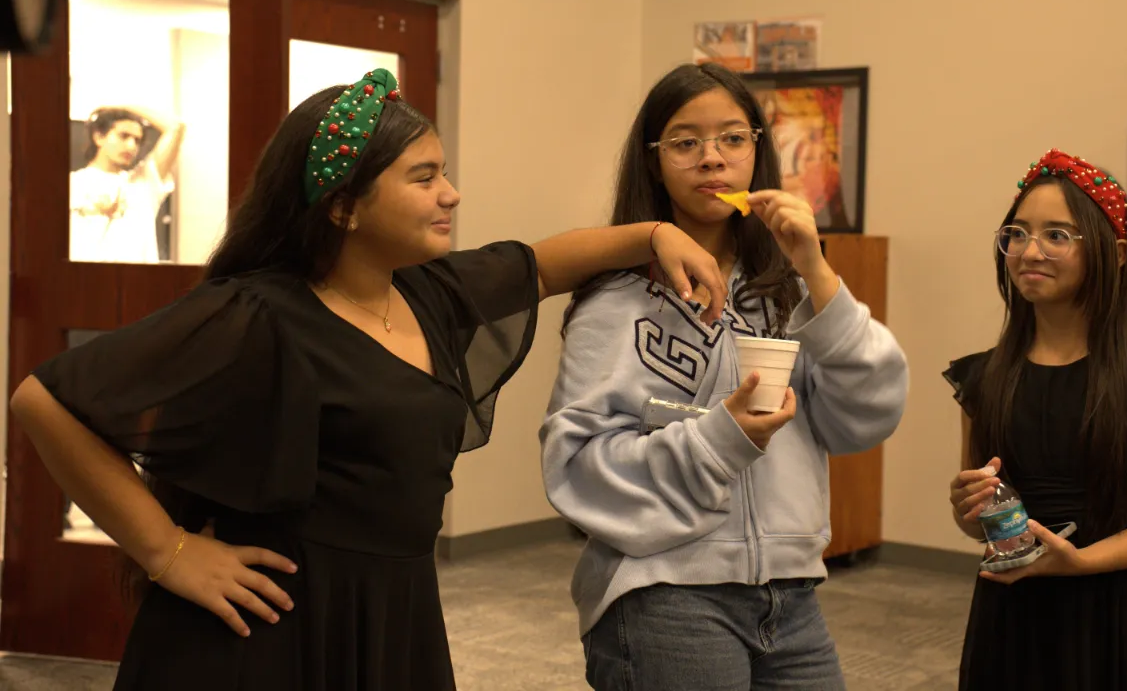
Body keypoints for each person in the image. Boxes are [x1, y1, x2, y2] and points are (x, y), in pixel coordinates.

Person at [10, 68, 730, 691]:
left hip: (392, 612)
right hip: (273, 631)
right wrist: (167, 553)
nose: (451, 194)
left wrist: (654, 235)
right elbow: (44, 401)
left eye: (444, 172)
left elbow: (542, 264)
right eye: (424, 177)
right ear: (343, 205)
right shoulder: (257, 312)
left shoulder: (425, 291)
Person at [539, 63, 908, 691]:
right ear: (654, 161)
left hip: (792, 595)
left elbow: (865, 417)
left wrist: (816, 269)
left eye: (733, 139)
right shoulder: (616, 300)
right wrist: (720, 439)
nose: (712, 158)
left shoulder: (789, 289)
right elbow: (576, 466)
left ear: (757, 152)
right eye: (686, 142)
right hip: (663, 593)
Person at [945, 149, 1127, 690]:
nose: (1029, 251)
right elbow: (984, 519)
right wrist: (967, 509)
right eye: (1017, 234)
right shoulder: (983, 378)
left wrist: (1083, 562)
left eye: (1057, 235)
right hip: (1018, 611)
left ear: (1116, 253)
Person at [69, 106, 185, 264]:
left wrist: (121, 106)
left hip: (138, 278)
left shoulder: (144, 183)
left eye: (137, 140)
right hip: (82, 276)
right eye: (123, 136)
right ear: (99, 137)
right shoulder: (72, 183)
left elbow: (176, 127)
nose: (131, 146)